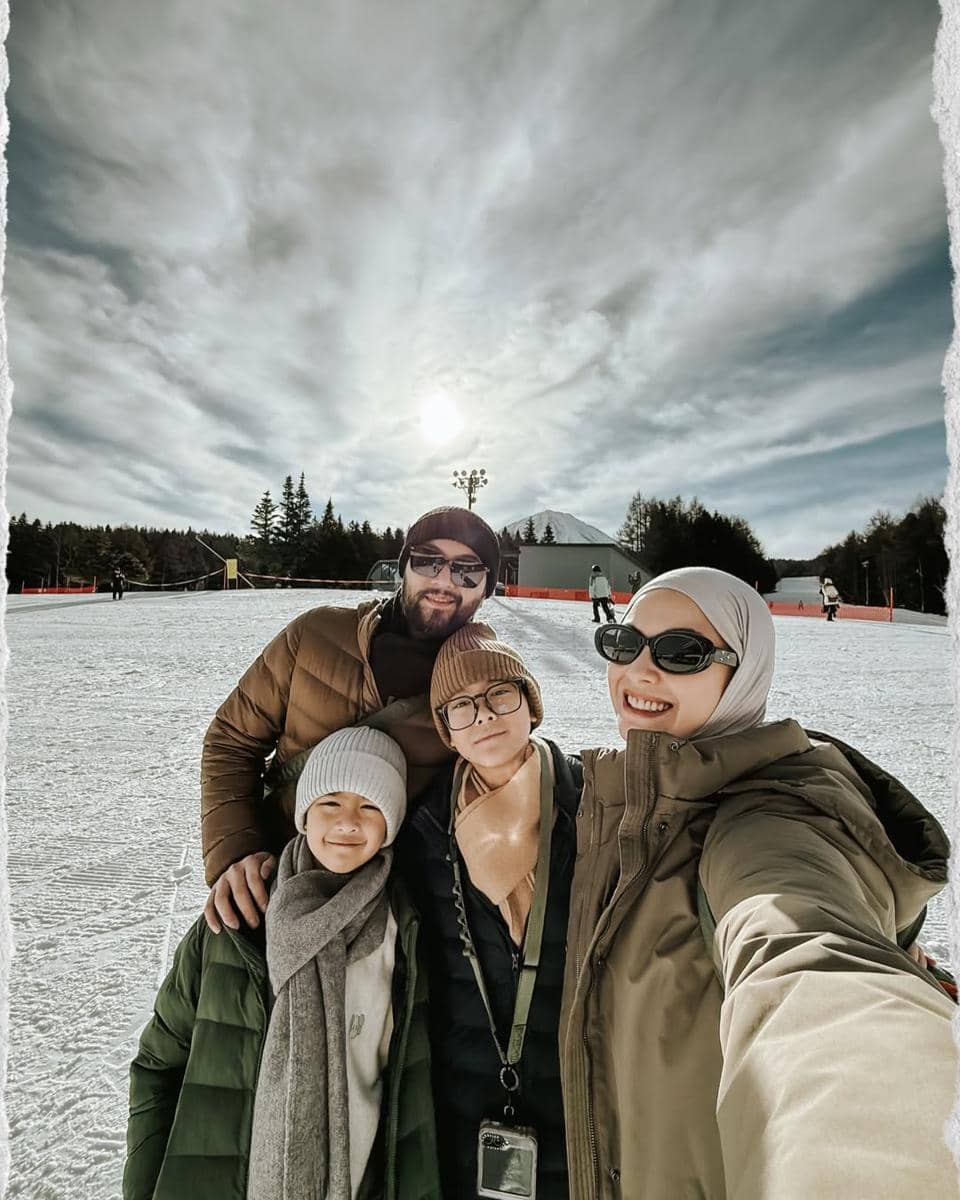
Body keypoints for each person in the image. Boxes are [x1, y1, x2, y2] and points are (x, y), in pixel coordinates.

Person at [561, 566, 957, 1199]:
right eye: (624, 642)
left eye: (681, 653)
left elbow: (800, 951)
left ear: (742, 672)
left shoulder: (766, 821)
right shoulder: (637, 805)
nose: (639, 671)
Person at [124, 727, 439, 1200]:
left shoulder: (406, 932)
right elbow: (158, 1062)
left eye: (371, 806)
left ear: (392, 823)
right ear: (304, 814)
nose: (348, 822)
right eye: (330, 802)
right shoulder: (235, 921)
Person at [200, 505, 500, 935]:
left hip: (395, 918)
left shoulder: (484, 681)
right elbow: (231, 740)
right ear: (404, 568)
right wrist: (236, 852)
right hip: (272, 885)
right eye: (428, 560)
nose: (444, 580)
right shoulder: (315, 634)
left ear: (487, 587)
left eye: (468, 571)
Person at [396, 624, 582, 1199]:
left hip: (581, 1093)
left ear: (530, 704)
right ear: (447, 731)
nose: (484, 717)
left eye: (500, 695)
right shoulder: (422, 827)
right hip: (465, 1098)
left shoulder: (591, 802)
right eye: (460, 707)